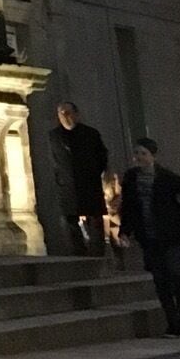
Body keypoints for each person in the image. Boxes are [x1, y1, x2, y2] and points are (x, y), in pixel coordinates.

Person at [120, 139, 180, 336]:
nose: (139, 157)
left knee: (174, 273)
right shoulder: (131, 178)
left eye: (143, 154)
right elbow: (129, 207)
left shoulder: (168, 179)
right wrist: (125, 231)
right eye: (137, 153)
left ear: (152, 156)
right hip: (148, 237)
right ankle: (173, 322)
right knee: (160, 279)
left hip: (171, 234)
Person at [48, 103, 111, 255]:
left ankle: (97, 254)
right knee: (70, 221)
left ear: (76, 114)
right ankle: (78, 253)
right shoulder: (54, 136)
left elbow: (102, 156)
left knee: (95, 220)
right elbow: (53, 160)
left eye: (68, 112)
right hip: (67, 185)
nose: (65, 116)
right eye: (61, 113)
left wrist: (93, 173)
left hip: (89, 183)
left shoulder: (90, 134)